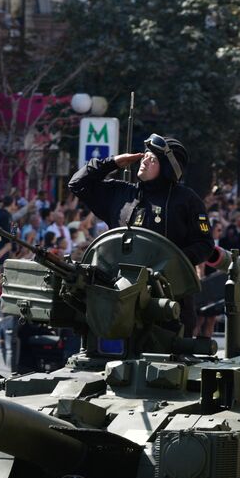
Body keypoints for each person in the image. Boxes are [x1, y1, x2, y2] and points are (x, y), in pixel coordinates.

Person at [68, 133, 222, 334]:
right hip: (118, 298)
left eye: (153, 159)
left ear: (167, 169)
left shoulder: (186, 201)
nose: (145, 160)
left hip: (167, 302)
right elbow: (77, 184)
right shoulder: (121, 194)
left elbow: (204, 244)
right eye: (146, 155)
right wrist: (112, 163)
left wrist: (173, 263)